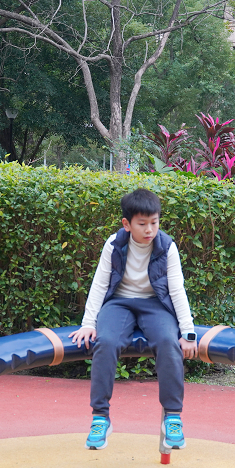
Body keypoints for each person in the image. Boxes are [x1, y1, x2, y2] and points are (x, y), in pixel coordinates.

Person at [70, 188, 198, 450]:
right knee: (106, 342)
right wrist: (88, 323)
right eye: (142, 224)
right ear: (127, 224)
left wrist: (188, 332)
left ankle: (173, 416)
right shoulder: (114, 244)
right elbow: (99, 284)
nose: (149, 229)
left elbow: (177, 290)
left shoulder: (167, 247)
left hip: (155, 304)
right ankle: (100, 417)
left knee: (167, 341)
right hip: (119, 303)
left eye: (154, 222)